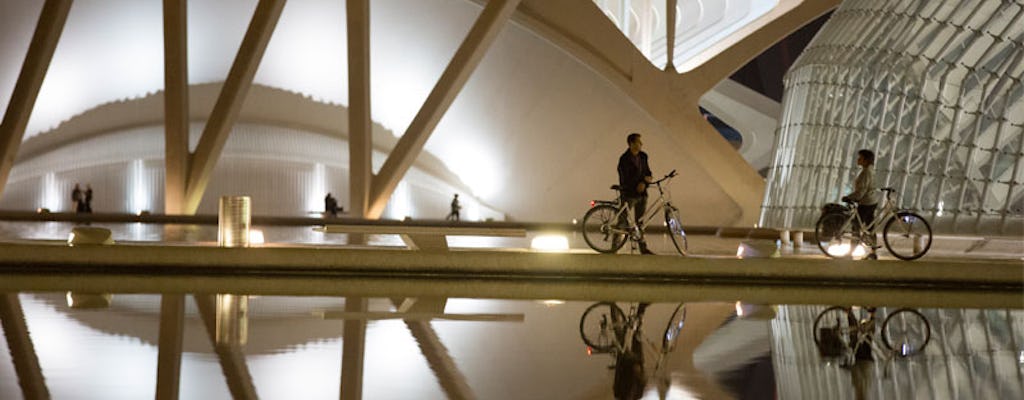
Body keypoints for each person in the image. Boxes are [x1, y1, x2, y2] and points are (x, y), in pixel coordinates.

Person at [618, 133, 655, 255]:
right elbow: (625, 178)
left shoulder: (643, 156)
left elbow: (647, 171)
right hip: (629, 194)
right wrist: (639, 183)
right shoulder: (624, 159)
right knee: (622, 221)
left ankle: (643, 248)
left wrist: (645, 181)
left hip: (642, 194)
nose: (641, 144)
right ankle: (614, 247)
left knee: (640, 222)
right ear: (631, 144)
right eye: (638, 142)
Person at [841, 149, 880, 259]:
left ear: (866, 160)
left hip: (866, 203)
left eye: (860, 158)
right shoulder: (870, 171)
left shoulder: (866, 173)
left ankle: (850, 253)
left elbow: (861, 191)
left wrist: (849, 198)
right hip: (871, 201)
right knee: (870, 227)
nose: (858, 160)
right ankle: (873, 252)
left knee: (856, 227)